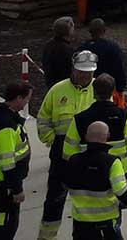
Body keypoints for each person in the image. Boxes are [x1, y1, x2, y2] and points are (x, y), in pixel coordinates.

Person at [35, 51, 97, 240]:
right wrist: (52, 140)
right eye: (81, 71)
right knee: (54, 199)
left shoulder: (99, 90)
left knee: (88, 201)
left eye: (89, 72)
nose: (85, 76)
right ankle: (46, 237)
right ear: (73, 69)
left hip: (88, 154)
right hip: (61, 155)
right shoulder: (57, 90)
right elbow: (43, 119)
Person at [61, 75, 127, 183]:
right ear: (113, 92)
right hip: (119, 172)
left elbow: (69, 150)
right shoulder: (124, 116)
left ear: (94, 92)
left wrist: (72, 171)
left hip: (88, 171)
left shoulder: (80, 118)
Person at [61, 121, 127, 240]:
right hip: (106, 221)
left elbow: (64, 182)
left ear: (86, 137)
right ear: (107, 136)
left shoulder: (74, 160)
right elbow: (121, 191)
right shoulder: (112, 162)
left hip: (81, 221)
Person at [0, 81, 32, 240]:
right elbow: (7, 163)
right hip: (2, 185)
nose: (28, 101)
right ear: (18, 98)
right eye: (27, 98)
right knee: (4, 223)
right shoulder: (6, 126)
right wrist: (17, 189)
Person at [77, 20, 127, 97]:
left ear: (90, 31)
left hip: (87, 91)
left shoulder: (82, 49)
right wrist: (121, 88)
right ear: (104, 30)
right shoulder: (113, 48)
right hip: (109, 90)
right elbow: (119, 69)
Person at [41, 17, 76, 88]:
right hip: (64, 85)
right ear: (68, 30)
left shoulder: (48, 44)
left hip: (50, 83)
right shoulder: (66, 49)